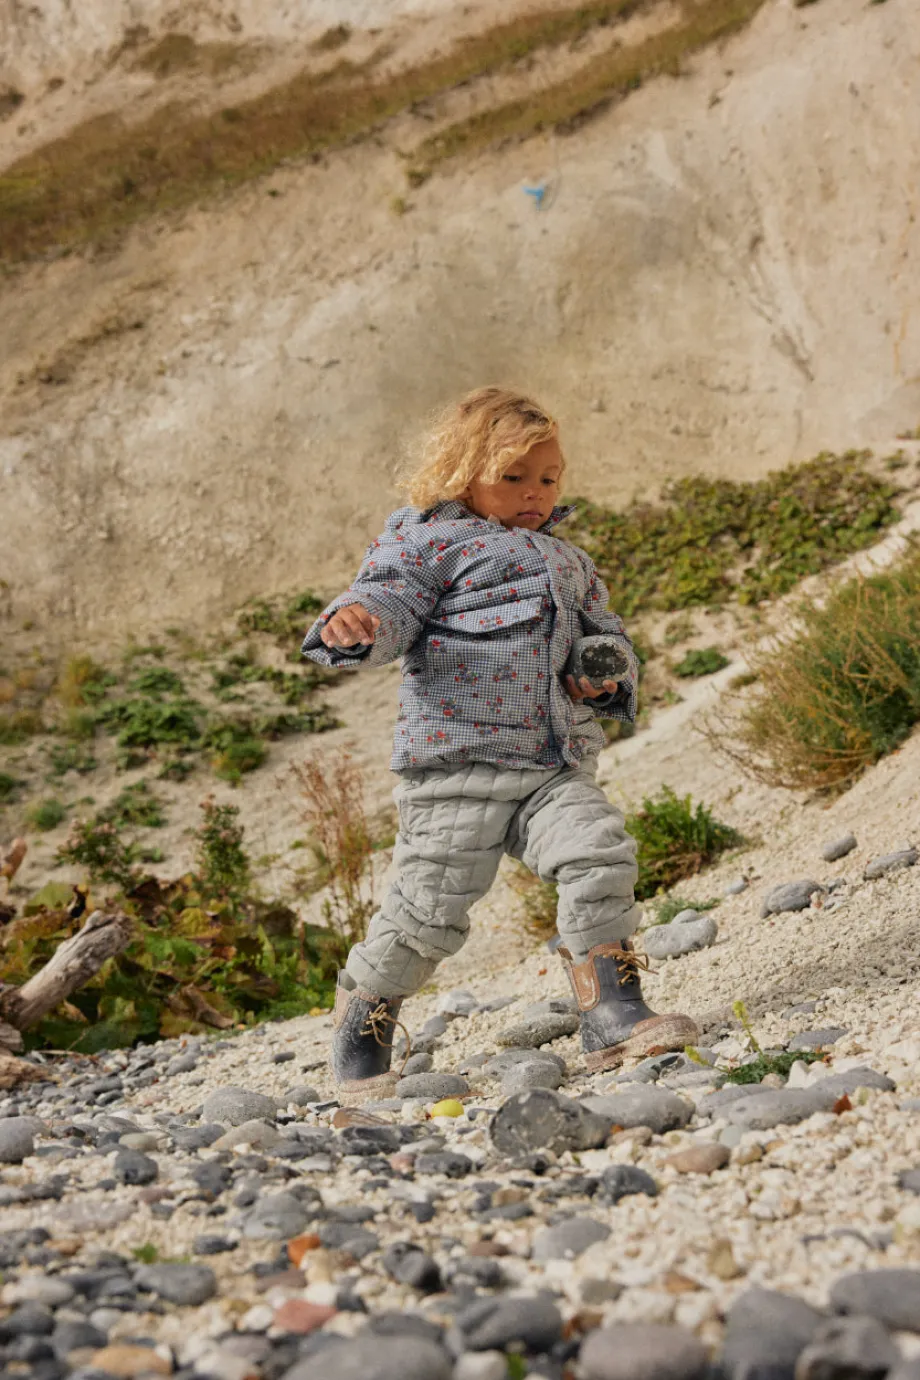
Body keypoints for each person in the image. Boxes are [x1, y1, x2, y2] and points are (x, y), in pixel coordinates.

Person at [302, 386, 697, 1100]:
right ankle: (362, 1024)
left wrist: (604, 673)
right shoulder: (426, 541)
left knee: (598, 853)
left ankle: (612, 1012)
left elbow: (604, 636)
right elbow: (387, 599)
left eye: (548, 478)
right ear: (461, 473)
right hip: (459, 769)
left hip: (553, 765)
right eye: (513, 477)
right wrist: (355, 620)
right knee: (426, 916)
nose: (533, 494)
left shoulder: (569, 560)